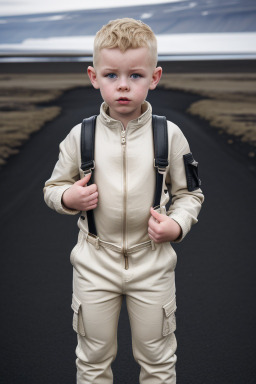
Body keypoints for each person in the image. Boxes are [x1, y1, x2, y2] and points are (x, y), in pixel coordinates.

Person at [44, 18, 204, 384]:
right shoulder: (80, 136)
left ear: (155, 77)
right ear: (93, 76)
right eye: (112, 75)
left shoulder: (170, 135)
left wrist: (177, 224)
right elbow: (52, 187)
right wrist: (69, 196)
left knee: (159, 362)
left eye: (135, 76)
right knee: (92, 361)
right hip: (94, 263)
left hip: (153, 265)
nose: (123, 86)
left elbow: (189, 194)